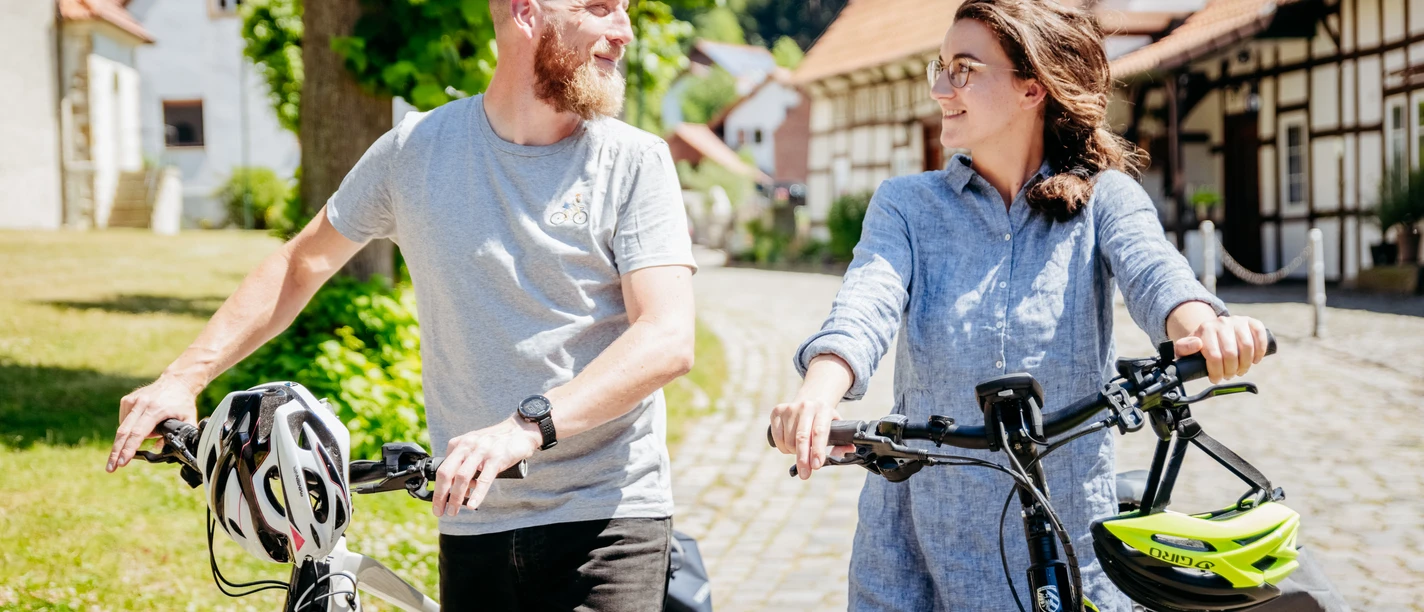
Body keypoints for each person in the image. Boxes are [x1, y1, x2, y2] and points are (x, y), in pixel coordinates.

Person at [106, 0, 697, 609]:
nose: (624, 31)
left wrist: (526, 427)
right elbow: (299, 262)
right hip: (473, 518)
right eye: (600, 7)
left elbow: (666, 337)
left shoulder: (633, 160)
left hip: (609, 520)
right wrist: (184, 376)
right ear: (525, 11)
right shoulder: (418, 149)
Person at [767, 1, 1271, 610]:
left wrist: (1205, 328)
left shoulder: (1105, 198)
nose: (938, 88)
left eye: (963, 69)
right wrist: (819, 391)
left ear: (1032, 86)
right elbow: (865, 304)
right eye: (940, 67)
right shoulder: (906, 205)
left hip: (1065, 528)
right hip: (919, 538)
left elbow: (1157, 273)